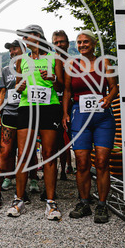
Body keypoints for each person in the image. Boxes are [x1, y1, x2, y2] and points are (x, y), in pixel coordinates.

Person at [7, 24, 64, 220]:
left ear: (38, 36)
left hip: (49, 107)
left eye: (27, 36)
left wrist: (53, 78)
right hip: (27, 107)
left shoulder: (54, 57)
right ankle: (19, 199)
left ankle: (51, 202)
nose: (24, 40)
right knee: (23, 154)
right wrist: (20, 86)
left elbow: (61, 86)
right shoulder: (21, 60)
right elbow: (17, 86)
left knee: (49, 154)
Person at [62, 30, 118, 223]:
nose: (82, 45)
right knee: (82, 161)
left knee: (102, 161)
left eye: (86, 42)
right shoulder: (72, 65)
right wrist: (65, 113)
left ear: (94, 44)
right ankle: (84, 202)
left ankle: (102, 205)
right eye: (79, 42)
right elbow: (67, 91)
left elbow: (114, 87)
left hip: (102, 117)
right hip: (80, 116)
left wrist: (108, 98)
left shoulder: (104, 62)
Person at [0, 39, 40, 208]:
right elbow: (2, 92)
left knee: (24, 154)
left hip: (26, 113)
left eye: (15, 49)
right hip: (9, 113)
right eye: (10, 50)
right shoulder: (5, 70)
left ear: (24, 49)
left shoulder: (31, 66)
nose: (12, 52)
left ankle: (21, 190)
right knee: (5, 152)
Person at [52, 30, 74, 181]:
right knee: (54, 140)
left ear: (68, 43)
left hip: (72, 105)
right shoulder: (49, 61)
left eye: (62, 42)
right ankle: (55, 171)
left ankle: (69, 167)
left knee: (69, 139)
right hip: (53, 104)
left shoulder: (74, 62)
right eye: (56, 42)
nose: (59, 45)